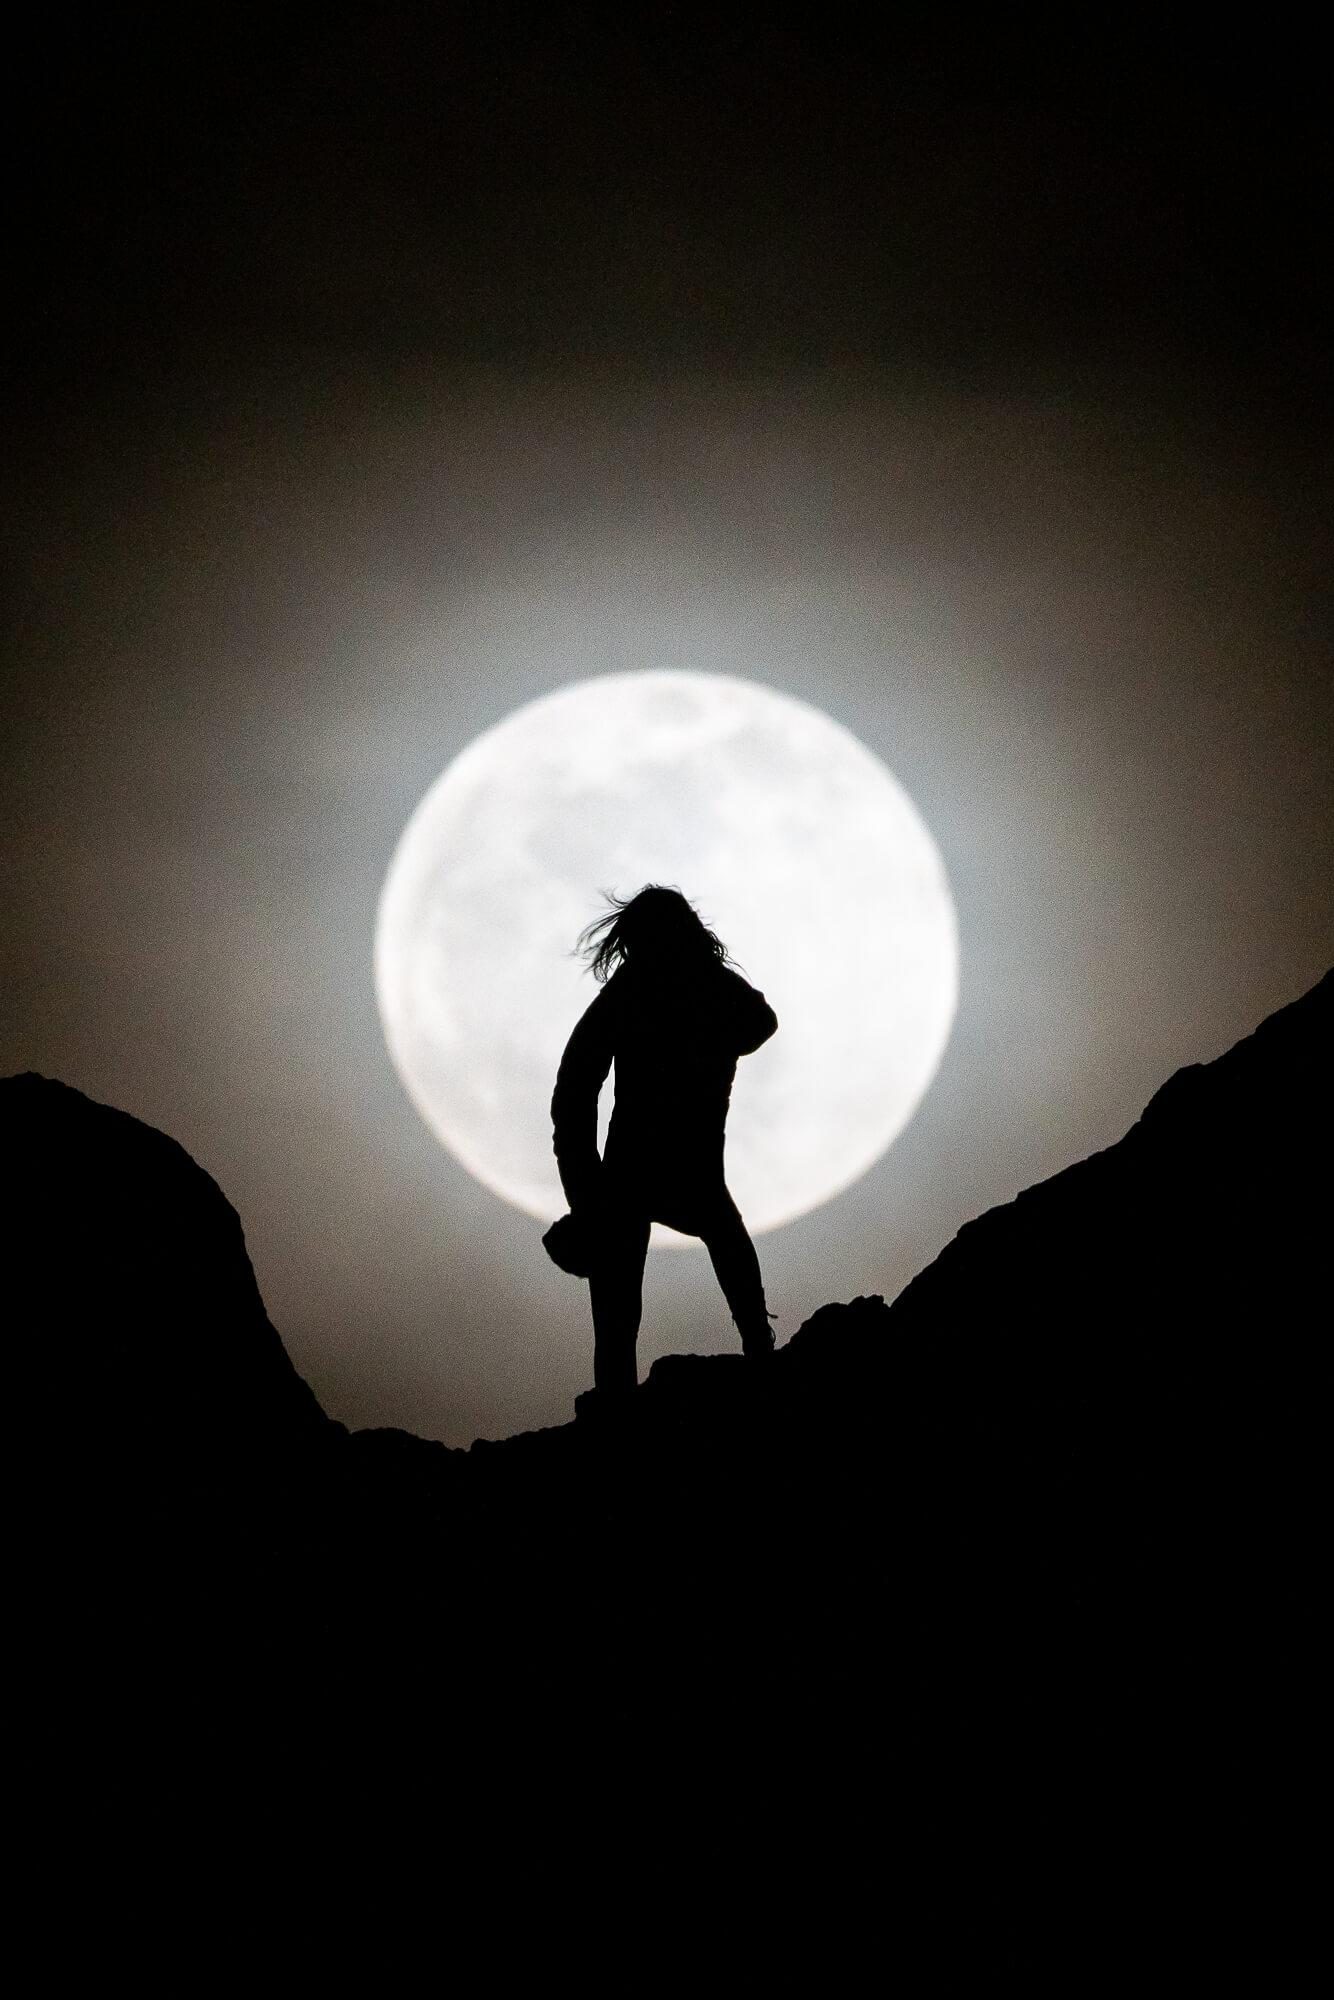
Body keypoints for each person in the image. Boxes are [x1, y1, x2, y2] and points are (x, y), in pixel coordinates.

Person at [550, 884, 778, 1401]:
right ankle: (619, 1406)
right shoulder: (638, 991)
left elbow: (760, 1023)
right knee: (621, 1303)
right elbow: (576, 1086)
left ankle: (760, 1354)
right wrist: (584, 1186)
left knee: (719, 1243)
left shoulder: (693, 987)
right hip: (633, 1173)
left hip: (673, 1167)